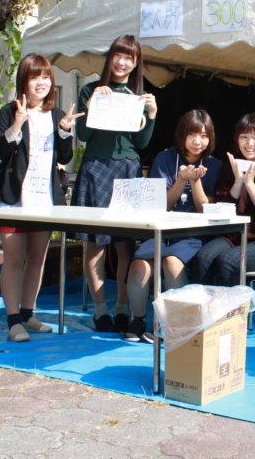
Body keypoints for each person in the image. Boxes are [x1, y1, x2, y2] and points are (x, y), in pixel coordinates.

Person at [0, 54, 80, 342]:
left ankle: (28, 314)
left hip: (44, 200)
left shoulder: (56, 115)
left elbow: (65, 157)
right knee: (14, 259)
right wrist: (16, 125)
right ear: (23, 81)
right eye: (34, 77)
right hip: (14, 199)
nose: (41, 83)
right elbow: (0, 152)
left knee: (37, 259)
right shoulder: (10, 111)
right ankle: (13, 320)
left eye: (45, 77)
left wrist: (65, 130)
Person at [71, 35, 157, 333]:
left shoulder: (138, 96)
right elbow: (82, 135)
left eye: (129, 58)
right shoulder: (90, 89)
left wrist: (152, 114)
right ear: (109, 57)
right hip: (96, 167)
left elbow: (141, 143)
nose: (122, 62)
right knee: (95, 244)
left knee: (125, 245)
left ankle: (122, 307)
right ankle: (100, 310)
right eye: (118, 55)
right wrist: (93, 103)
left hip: (128, 169)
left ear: (136, 63)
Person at [125, 110, 222, 342]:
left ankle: (173, 325)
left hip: (193, 233)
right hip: (161, 229)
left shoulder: (214, 165)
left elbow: (204, 210)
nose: (198, 141)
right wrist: (181, 179)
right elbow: (162, 204)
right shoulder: (165, 158)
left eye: (204, 136)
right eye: (192, 135)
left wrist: (195, 181)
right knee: (138, 268)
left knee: (171, 264)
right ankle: (138, 320)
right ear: (182, 135)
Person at [190, 113, 255, 287]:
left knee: (227, 261)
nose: (249, 143)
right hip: (232, 238)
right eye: (244, 137)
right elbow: (221, 212)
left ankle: (233, 306)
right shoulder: (229, 168)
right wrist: (238, 183)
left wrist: (250, 184)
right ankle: (202, 304)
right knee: (203, 257)